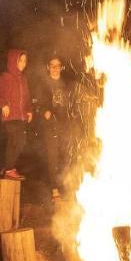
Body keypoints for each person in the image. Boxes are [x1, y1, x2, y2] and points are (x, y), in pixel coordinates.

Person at [0, 49, 33, 180]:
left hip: (21, 117)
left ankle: (7, 167)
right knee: (16, 140)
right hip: (10, 117)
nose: (23, 63)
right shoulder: (5, 77)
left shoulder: (23, 79)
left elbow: (27, 98)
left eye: (25, 60)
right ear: (13, 61)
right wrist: (3, 104)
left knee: (19, 141)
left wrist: (29, 110)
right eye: (21, 60)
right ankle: (9, 169)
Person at [39, 55, 75, 199]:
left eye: (58, 65)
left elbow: (71, 103)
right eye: (52, 65)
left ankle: (66, 188)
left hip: (65, 126)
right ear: (48, 67)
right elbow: (37, 103)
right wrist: (44, 111)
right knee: (52, 158)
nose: (55, 68)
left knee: (65, 157)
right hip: (50, 128)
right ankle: (55, 189)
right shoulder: (43, 85)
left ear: (61, 67)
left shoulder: (65, 84)